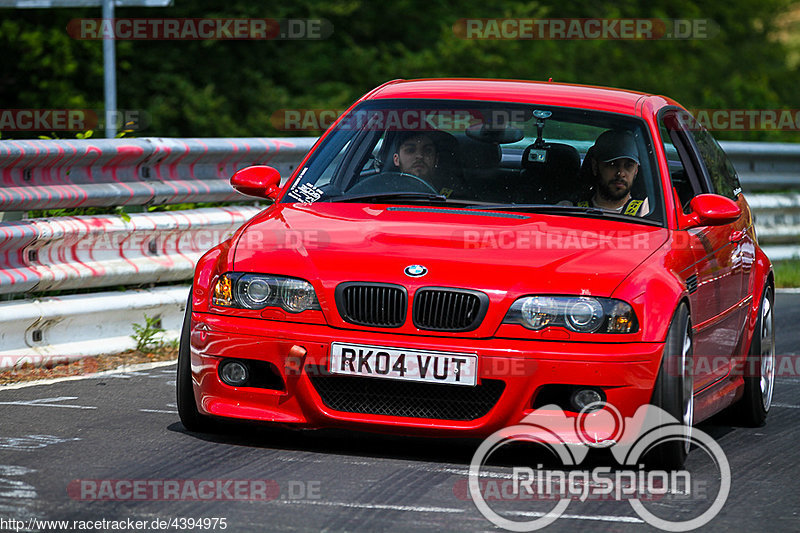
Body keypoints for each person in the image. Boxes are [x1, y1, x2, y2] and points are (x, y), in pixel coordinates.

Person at [578, 129, 650, 216]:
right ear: (595, 167)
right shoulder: (568, 210)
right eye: (612, 164)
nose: (621, 173)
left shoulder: (646, 212)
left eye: (628, 166)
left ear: (636, 170)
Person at [391, 131, 460, 198]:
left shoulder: (454, 198)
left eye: (428, 151)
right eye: (410, 150)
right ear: (396, 160)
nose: (419, 156)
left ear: (436, 159)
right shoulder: (385, 192)